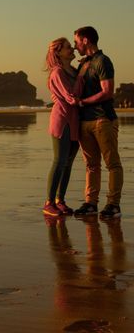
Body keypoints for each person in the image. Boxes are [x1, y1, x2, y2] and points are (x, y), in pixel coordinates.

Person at [73, 26, 123, 218]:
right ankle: (91, 203)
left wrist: (83, 102)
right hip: (85, 121)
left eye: (77, 42)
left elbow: (107, 91)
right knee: (91, 165)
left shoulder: (103, 61)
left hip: (103, 119)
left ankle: (113, 204)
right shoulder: (83, 64)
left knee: (112, 164)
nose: (76, 46)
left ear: (86, 40)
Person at [43, 38, 82, 216]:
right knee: (59, 161)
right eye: (67, 47)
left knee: (68, 163)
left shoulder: (73, 70)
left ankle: (60, 200)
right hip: (62, 120)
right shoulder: (57, 72)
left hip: (75, 120)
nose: (72, 48)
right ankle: (49, 203)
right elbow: (71, 96)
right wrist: (82, 76)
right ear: (58, 52)